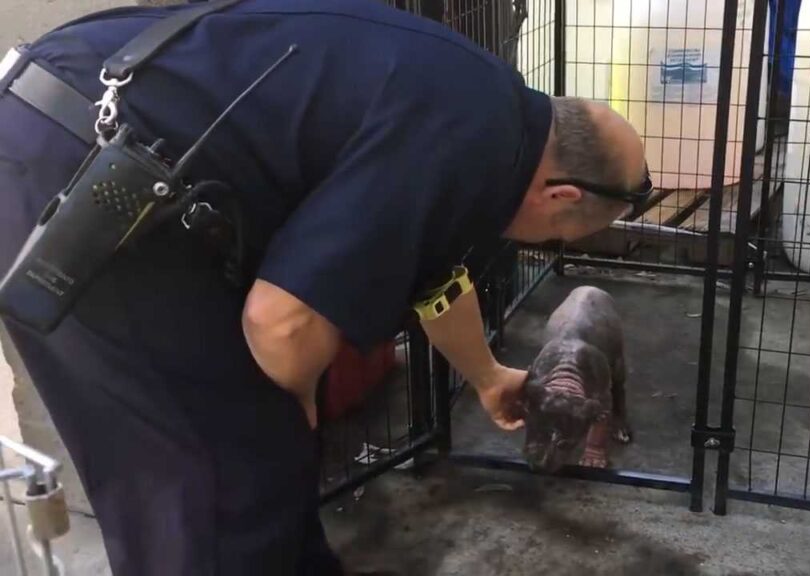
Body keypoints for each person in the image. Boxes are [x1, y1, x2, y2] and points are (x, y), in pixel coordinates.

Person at [0, 0, 648, 574]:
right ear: (561, 195)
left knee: (254, 472)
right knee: (217, 481)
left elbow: (436, 281)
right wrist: (291, 412)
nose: (542, 245)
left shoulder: (486, 113)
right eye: (559, 237)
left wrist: (485, 376)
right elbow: (281, 322)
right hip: (83, 172)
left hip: (88, 135)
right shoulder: (467, 138)